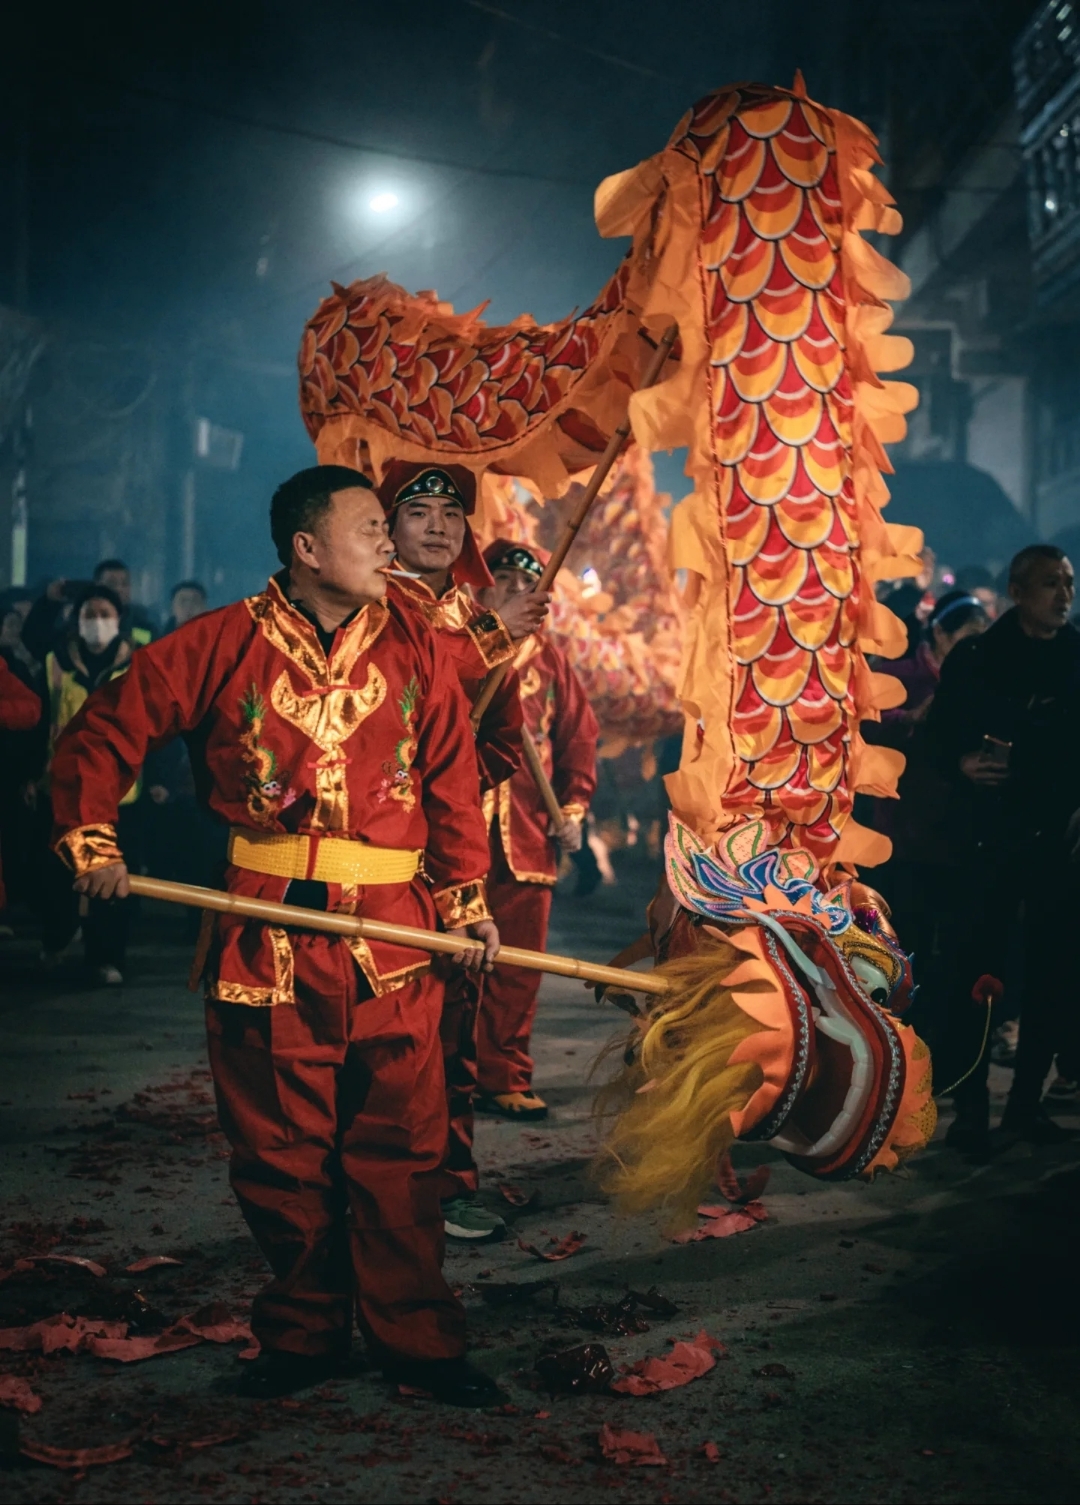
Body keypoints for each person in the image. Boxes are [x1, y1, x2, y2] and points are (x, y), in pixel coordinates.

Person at [49, 465, 504, 1405]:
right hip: (265, 937)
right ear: (306, 548)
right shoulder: (218, 644)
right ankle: (302, 1335)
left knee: (404, 1147)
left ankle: (416, 1337)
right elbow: (104, 732)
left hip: (395, 941)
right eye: (371, 526)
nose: (389, 543)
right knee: (282, 1152)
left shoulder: (419, 646)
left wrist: (466, 902)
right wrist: (95, 836)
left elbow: (454, 780)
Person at [378, 462, 547, 1244]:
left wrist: (453, 772)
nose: (440, 526)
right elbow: (403, 684)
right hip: (374, 864)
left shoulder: (468, 611)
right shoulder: (371, 604)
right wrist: (489, 636)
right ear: (387, 526)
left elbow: (504, 741)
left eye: (453, 512)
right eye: (421, 512)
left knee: (455, 1032)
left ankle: (450, 1184)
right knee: (380, 1038)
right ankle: (373, 1192)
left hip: (451, 857)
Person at [927, 544, 1080, 1152]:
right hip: (986, 838)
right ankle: (970, 1106)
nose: (1063, 594)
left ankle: (1024, 1104)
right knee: (977, 972)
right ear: (1018, 591)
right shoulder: (978, 657)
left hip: (1056, 841)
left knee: (1050, 974)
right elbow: (938, 736)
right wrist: (962, 762)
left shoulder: (1077, 656)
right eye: (1050, 583)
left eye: (1068, 582)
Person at [473, 539, 599, 1122]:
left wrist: (571, 811)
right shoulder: (461, 648)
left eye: (530, 584)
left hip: (526, 834)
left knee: (518, 967)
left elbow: (578, 740)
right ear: (484, 586)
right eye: (505, 580)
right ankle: (445, 1071)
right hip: (459, 832)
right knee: (452, 962)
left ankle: (504, 1075)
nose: (519, 592)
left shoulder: (551, 662)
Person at [864, 591, 990, 1052]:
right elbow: (864, 721)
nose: (974, 649)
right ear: (939, 634)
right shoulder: (901, 676)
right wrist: (908, 718)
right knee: (905, 940)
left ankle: (936, 1043)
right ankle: (895, 1043)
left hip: (957, 837)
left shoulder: (981, 679)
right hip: (903, 833)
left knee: (950, 948)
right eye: (966, 639)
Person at [40, 583, 141, 983]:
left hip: (122, 796)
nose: (97, 623)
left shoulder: (138, 665)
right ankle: (56, 938)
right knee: (57, 876)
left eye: (105, 614)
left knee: (115, 880)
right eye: (89, 614)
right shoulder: (55, 663)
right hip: (62, 792)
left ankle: (105, 956)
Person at [92, 558, 156, 644]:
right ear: (97, 587)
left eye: (125, 584)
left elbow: (150, 639)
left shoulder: (140, 620)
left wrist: (122, 631)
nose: (119, 589)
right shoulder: (86, 618)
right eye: (111, 584)